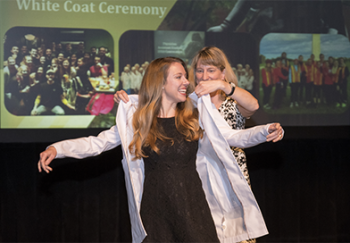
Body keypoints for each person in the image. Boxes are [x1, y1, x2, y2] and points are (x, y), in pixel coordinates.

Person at [39, 57, 283, 243]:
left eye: (186, 77)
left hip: (193, 207)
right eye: (179, 77)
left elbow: (232, 136)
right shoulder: (138, 120)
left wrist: (265, 130)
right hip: (156, 211)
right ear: (161, 82)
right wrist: (56, 149)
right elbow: (97, 143)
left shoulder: (197, 114)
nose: (187, 82)